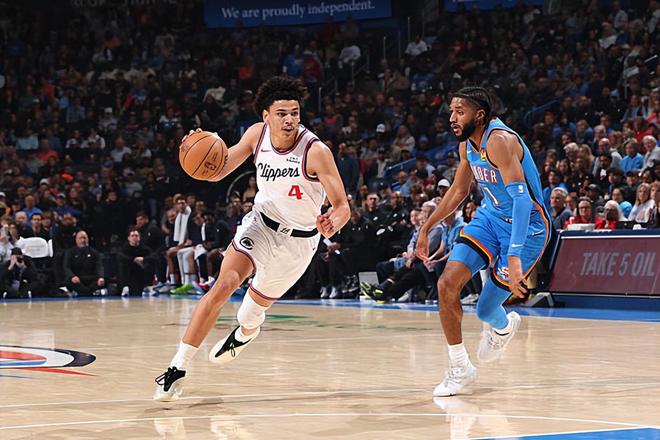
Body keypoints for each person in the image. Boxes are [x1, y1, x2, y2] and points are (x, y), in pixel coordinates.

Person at [154, 76, 350, 401]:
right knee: (225, 284)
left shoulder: (315, 151)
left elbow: (342, 206)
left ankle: (246, 332)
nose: (289, 120)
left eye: (295, 113)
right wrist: (192, 148)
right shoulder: (256, 135)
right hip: (261, 224)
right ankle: (178, 367)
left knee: (248, 315)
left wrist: (333, 221)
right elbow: (217, 170)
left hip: (299, 243)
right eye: (282, 114)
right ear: (266, 116)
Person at [415, 87, 551, 397]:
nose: (452, 118)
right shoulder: (467, 145)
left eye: (459, 112)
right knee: (447, 284)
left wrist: (514, 256)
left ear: (479, 115)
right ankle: (460, 367)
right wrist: (427, 227)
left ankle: (503, 326)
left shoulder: (500, 140)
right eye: (451, 111)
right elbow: (458, 191)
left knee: (486, 311)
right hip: (490, 218)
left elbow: (522, 201)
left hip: (527, 226)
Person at [62, 230, 106, 296]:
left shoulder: (94, 252)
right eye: (80, 238)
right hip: (77, 279)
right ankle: (88, 292)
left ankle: (84, 292)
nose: (83, 240)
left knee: (105, 281)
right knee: (68, 282)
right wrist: (72, 276)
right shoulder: (70, 252)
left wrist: (101, 277)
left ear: (88, 239)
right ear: (76, 240)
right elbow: (66, 267)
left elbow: (99, 266)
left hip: (91, 279)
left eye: (84, 238)